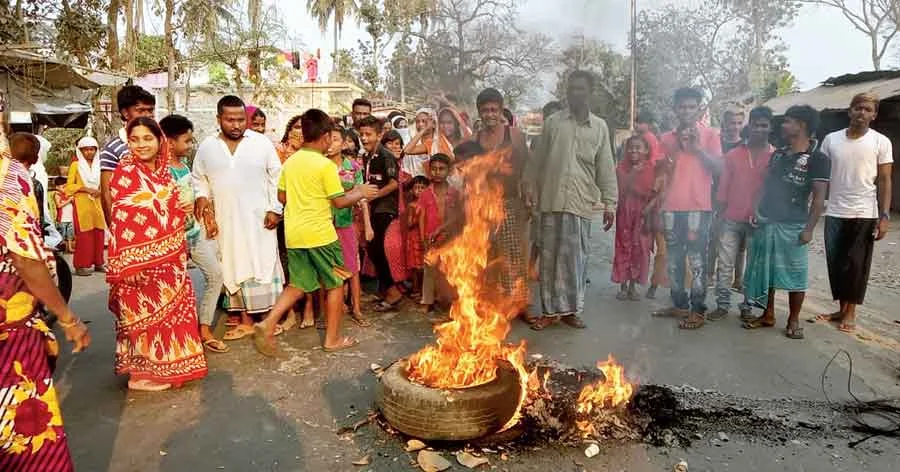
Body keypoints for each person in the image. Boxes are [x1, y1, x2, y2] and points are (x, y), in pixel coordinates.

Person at [1, 112, 90, 472]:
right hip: (8, 327)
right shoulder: (7, 176)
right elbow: (25, 258)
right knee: (25, 434)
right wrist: (67, 318)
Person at [254, 109, 377, 356]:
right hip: (321, 235)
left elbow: (282, 196)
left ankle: (268, 322)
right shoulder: (325, 166)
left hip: (294, 235)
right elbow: (339, 201)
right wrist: (361, 191)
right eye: (330, 138)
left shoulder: (291, 162)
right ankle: (331, 339)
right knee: (335, 284)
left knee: (298, 284)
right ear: (323, 137)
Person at [107, 116, 208, 390]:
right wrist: (133, 264)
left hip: (172, 260)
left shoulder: (164, 173)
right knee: (144, 317)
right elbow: (123, 218)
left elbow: (177, 215)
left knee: (172, 315)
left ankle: (167, 367)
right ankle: (142, 375)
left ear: (159, 140)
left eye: (147, 138)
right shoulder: (125, 173)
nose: (141, 145)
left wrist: (182, 208)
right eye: (134, 139)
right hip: (138, 263)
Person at [527, 72, 617, 330]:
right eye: (572, 89)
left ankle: (571, 310)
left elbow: (606, 167)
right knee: (549, 258)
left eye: (581, 89)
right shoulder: (553, 123)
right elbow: (538, 160)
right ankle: (549, 312)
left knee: (575, 259)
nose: (576, 93)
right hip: (551, 200)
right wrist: (530, 184)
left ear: (591, 93)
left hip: (580, 202)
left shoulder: (599, 127)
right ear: (566, 92)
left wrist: (610, 202)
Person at [192, 95, 284, 341]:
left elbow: (278, 177)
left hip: (259, 220)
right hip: (226, 221)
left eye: (241, 119)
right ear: (219, 119)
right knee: (231, 264)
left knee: (261, 264)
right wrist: (201, 197)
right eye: (230, 120)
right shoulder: (207, 146)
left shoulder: (261, 143)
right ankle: (244, 320)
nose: (236, 125)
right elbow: (198, 178)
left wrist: (276, 209)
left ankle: (265, 321)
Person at [743, 105, 829, 340]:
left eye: (788, 121)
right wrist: (757, 210)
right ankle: (768, 314)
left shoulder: (818, 159)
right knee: (767, 271)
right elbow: (766, 186)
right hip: (768, 220)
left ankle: (793, 320)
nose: (782, 125)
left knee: (796, 274)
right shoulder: (778, 154)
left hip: (794, 224)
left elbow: (819, 198)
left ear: (801, 126)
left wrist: (809, 229)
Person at [816, 93, 893, 333]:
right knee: (836, 263)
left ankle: (851, 313)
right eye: (858, 108)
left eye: (868, 109)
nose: (862, 113)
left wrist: (884, 215)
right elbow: (822, 177)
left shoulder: (881, 142)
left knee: (856, 265)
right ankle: (841, 309)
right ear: (850, 111)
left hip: (864, 212)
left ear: (874, 115)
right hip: (835, 211)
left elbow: (885, 180)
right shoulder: (831, 140)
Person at [651, 87, 723, 330]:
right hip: (670, 207)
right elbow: (660, 172)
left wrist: (697, 149)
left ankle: (698, 310)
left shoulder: (711, 135)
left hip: (698, 208)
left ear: (699, 108)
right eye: (682, 106)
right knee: (673, 260)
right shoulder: (667, 138)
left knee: (697, 261)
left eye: (692, 106)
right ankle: (679, 304)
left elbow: (719, 169)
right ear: (675, 109)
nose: (687, 111)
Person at [161, 114, 228, 354]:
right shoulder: (160, 171)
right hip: (173, 238)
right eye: (186, 141)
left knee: (216, 275)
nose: (190, 146)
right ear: (169, 142)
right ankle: (182, 336)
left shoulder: (183, 167)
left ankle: (204, 329)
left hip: (193, 233)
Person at [708, 107, 775, 322]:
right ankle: (722, 305)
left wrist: (767, 216)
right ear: (750, 126)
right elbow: (723, 187)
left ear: (770, 128)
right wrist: (719, 214)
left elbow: (774, 191)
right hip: (730, 218)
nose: (759, 129)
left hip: (758, 221)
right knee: (725, 264)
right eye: (755, 124)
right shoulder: (733, 155)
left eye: (764, 125)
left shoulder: (775, 156)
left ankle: (747, 306)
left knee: (752, 268)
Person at [472, 87, 532, 322]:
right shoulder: (474, 139)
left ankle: (520, 305)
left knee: (514, 257)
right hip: (483, 205)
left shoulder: (515, 135)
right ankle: (492, 306)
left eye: (493, 109)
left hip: (509, 202)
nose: (490, 114)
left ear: (500, 109)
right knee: (486, 257)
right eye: (485, 110)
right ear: (479, 112)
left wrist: (527, 194)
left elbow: (527, 166)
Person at [328, 126, 374, 328]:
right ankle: (329, 311)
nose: (330, 144)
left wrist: (367, 225)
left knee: (352, 267)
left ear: (344, 142)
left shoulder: (353, 167)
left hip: (346, 223)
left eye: (336, 139)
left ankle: (356, 308)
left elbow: (361, 197)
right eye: (327, 139)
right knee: (327, 268)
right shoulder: (320, 167)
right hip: (324, 223)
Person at [358, 115, 404, 310]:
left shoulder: (386, 156)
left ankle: (393, 291)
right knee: (373, 250)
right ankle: (387, 290)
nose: (364, 138)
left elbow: (395, 183)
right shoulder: (366, 157)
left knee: (378, 249)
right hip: (371, 210)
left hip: (385, 209)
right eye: (361, 135)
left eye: (368, 134)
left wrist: (374, 196)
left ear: (379, 135)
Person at [100, 85, 156, 223]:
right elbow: (107, 193)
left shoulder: (161, 143)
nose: (148, 115)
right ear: (125, 113)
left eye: (150, 110)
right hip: (129, 224)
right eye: (141, 110)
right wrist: (114, 229)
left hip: (159, 220)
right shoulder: (112, 149)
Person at [612, 135, 655, 301]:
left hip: (643, 213)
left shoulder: (651, 169)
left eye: (638, 147)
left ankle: (633, 286)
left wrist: (648, 209)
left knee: (640, 249)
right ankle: (622, 285)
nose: (633, 151)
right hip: (625, 211)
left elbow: (655, 193)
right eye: (630, 147)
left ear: (645, 150)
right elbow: (622, 189)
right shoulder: (621, 168)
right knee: (623, 246)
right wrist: (633, 173)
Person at [419, 153, 460, 313]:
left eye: (441, 169)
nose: (437, 172)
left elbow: (459, 214)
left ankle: (452, 300)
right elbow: (422, 216)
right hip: (431, 237)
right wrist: (423, 237)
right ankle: (427, 300)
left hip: (451, 237)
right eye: (434, 169)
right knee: (429, 269)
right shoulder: (425, 194)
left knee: (451, 268)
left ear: (449, 171)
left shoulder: (455, 193)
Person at [66, 136, 107, 276]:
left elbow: (105, 183)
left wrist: (101, 191)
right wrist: (87, 189)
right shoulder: (75, 165)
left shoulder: (100, 164)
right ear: (80, 151)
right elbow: (69, 187)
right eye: (86, 150)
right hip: (82, 204)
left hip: (97, 203)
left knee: (99, 233)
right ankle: (81, 265)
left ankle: (99, 262)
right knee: (84, 235)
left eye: (92, 149)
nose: (89, 152)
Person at [405, 175, 430, 296]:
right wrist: (417, 216)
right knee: (416, 266)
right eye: (417, 187)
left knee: (425, 265)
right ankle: (415, 289)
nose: (419, 190)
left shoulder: (429, 204)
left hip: (425, 236)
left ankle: (424, 290)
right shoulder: (412, 205)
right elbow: (409, 224)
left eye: (422, 187)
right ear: (411, 190)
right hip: (415, 238)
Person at [53, 179, 76, 253]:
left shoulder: (68, 194)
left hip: (69, 218)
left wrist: (72, 200)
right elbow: (59, 205)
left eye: (66, 187)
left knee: (70, 234)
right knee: (62, 234)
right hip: (62, 219)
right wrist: (69, 200)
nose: (65, 189)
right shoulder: (57, 195)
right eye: (63, 187)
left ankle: (69, 248)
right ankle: (61, 248)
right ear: (57, 187)